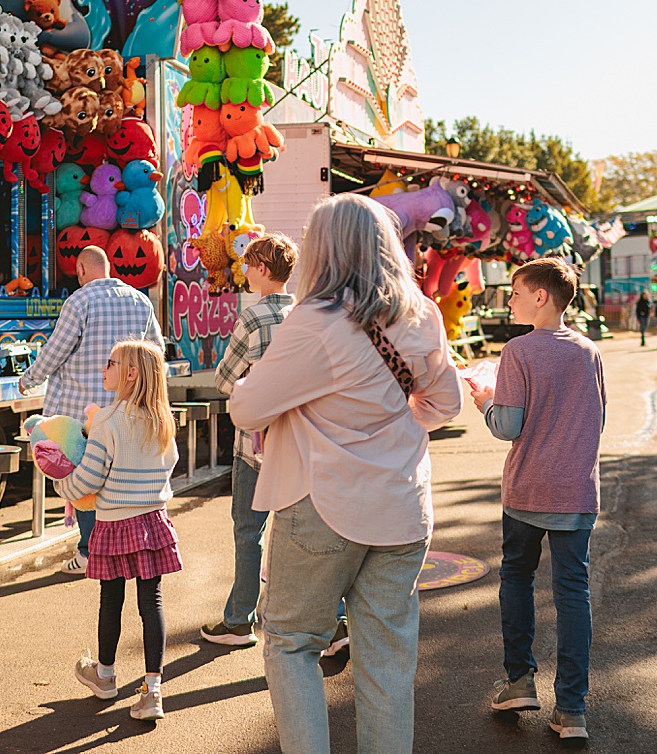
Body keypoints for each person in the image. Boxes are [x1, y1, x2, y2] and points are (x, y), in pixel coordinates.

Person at [227, 193, 464, 754]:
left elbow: (247, 410)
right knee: (386, 661)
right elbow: (445, 404)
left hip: (323, 503)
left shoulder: (316, 321)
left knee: (292, 643)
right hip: (402, 505)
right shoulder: (421, 314)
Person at [468, 258, 605, 742]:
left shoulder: (518, 350)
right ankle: (572, 710)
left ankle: (520, 681)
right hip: (577, 490)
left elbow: (508, 426)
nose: (510, 301)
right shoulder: (588, 351)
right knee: (573, 593)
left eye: (516, 293)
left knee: (517, 577)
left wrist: (485, 400)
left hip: (527, 489)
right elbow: (597, 417)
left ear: (541, 296)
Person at [44, 339, 181, 721]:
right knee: (151, 602)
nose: (105, 369)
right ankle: (152, 691)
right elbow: (169, 464)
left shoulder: (107, 420)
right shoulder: (162, 420)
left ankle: (104, 676)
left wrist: (62, 486)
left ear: (131, 373)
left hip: (114, 522)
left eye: (111, 363)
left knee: (111, 599)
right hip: (153, 520)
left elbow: (89, 477)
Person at [19, 246, 164, 575]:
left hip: (82, 413)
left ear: (81, 270)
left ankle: (89, 551)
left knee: (85, 482)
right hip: (126, 408)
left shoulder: (79, 301)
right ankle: (118, 550)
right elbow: (156, 350)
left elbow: (55, 351)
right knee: (116, 482)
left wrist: (29, 379)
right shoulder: (140, 301)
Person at [200, 234, 298, 649]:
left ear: (262, 269)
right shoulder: (304, 315)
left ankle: (240, 620)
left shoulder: (254, 318)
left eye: (248, 264)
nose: (243, 270)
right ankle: (328, 620)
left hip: (254, 443)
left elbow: (224, 379)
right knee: (303, 532)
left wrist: (249, 381)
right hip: (299, 441)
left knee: (248, 531)